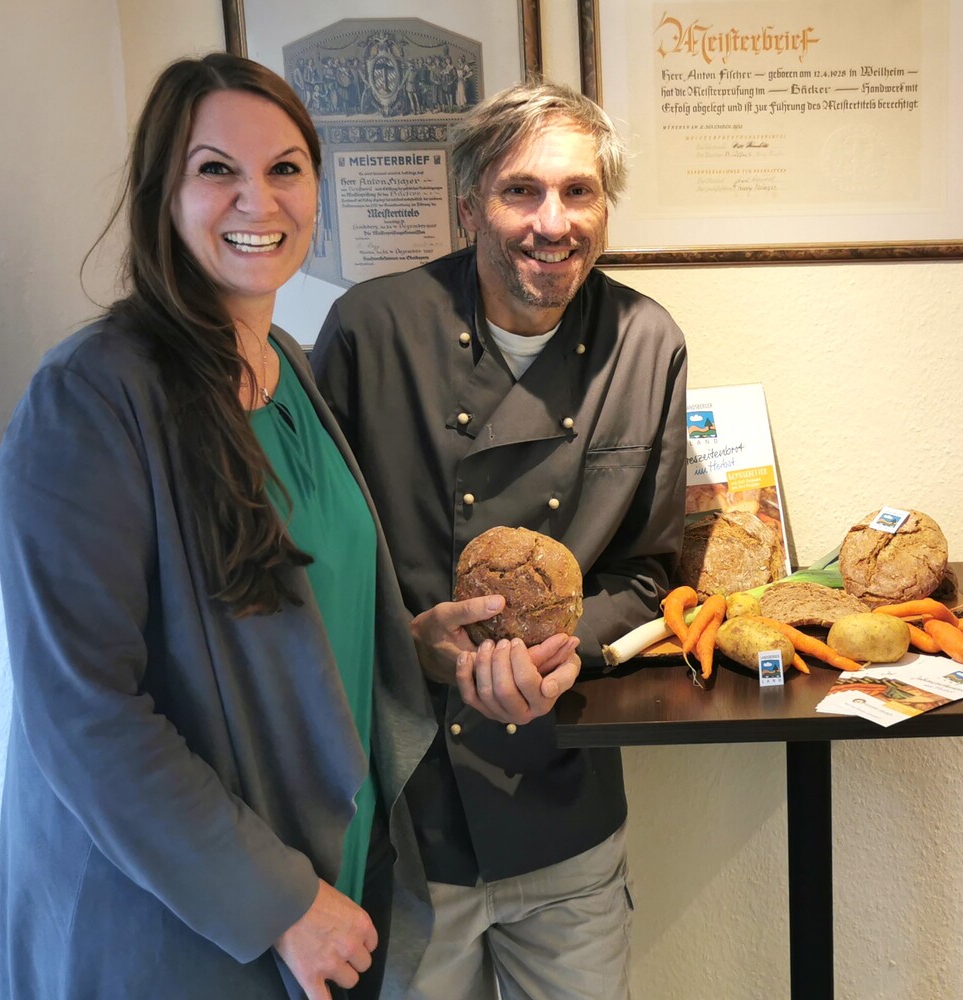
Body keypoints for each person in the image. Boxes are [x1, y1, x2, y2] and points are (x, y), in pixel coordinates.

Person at [0, 53, 516, 1000]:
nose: (257, 199)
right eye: (215, 170)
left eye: (283, 168)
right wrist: (278, 903)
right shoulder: (93, 395)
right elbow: (83, 711)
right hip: (182, 926)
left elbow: (278, 625)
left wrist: (412, 647)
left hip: (323, 888)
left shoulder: (286, 364)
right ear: (163, 193)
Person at [312, 81, 688, 999]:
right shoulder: (371, 329)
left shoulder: (649, 342)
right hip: (406, 810)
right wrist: (412, 643)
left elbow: (648, 575)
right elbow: (316, 566)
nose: (551, 222)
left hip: (562, 797)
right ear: (469, 202)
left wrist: (569, 650)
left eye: (579, 192)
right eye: (522, 191)